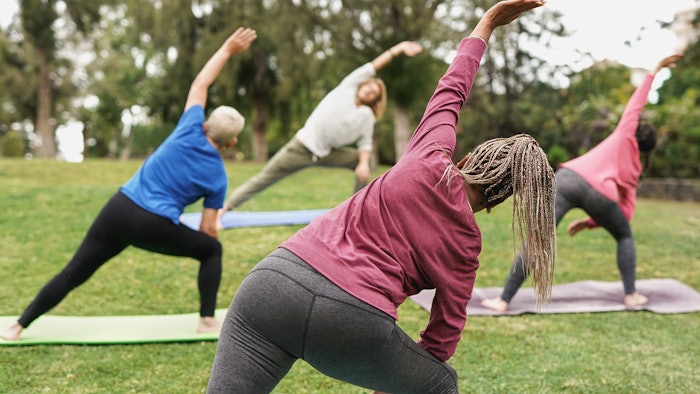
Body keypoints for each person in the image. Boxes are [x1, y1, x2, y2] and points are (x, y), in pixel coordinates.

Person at [206, 1, 553, 393]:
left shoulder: (429, 152)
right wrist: (391, 381)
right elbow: (441, 340)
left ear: (468, 157)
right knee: (440, 384)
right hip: (352, 320)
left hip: (272, 284)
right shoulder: (466, 248)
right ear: (496, 202)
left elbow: (452, 87)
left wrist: (487, 23)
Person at [0, 27, 258, 341]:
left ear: (205, 125)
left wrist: (228, 49)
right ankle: (206, 320)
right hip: (154, 224)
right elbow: (207, 229)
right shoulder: (218, 176)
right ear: (231, 143)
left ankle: (18, 326)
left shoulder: (189, 127)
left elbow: (201, 83)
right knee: (211, 250)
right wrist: (212, 234)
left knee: (75, 271)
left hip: (118, 209)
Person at [481, 51, 684, 313]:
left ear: (635, 131)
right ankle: (631, 296)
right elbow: (627, 213)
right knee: (624, 235)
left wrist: (655, 68)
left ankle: (502, 300)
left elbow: (636, 103)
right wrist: (591, 222)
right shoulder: (634, 171)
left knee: (537, 238)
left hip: (569, 180)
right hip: (601, 195)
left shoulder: (624, 134)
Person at [217, 38, 424, 219]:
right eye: (369, 85)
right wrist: (398, 49)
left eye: (375, 92)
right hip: (301, 148)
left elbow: (365, 143)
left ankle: (354, 211)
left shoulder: (367, 117)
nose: (370, 90)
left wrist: (362, 164)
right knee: (265, 177)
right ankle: (227, 207)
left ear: (377, 99)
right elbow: (374, 65)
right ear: (362, 84)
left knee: (365, 161)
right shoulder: (347, 87)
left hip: (328, 154)